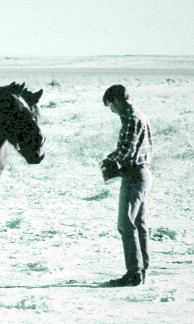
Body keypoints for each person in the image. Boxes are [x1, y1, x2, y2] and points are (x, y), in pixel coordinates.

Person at [101, 84, 153, 286]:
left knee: (125, 224)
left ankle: (133, 273)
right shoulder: (140, 115)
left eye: (111, 106)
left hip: (133, 175)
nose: (112, 111)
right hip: (144, 173)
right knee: (139, 224)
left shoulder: (131, 119)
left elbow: (126, 151)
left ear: (116, 101)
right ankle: (142, 269)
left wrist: (108, 160)